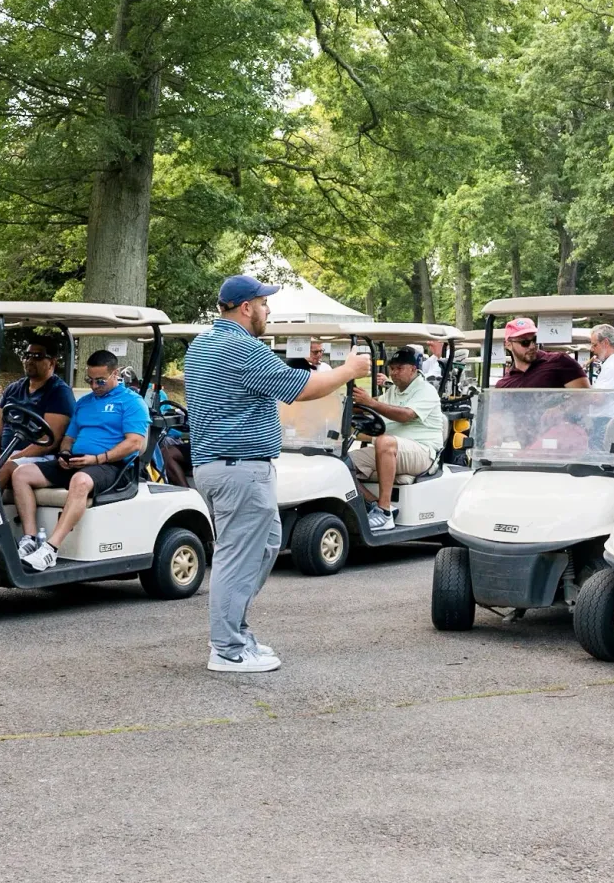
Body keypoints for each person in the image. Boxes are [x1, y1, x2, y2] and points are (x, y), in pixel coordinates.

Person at [184, 274, 370, 673]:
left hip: (225, 467)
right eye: (265, 304)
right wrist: (349, 369)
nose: (269, 310)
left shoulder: (204, 343)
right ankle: (227, 648)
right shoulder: (242, 347)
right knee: (237, 558)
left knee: (267, 544)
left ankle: (237, 632)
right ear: (246, 307)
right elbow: (302, 388)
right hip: (240, 470)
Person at [12, 350, 152, 571]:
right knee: (21, 474)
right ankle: (29, 539)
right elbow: (68, 437)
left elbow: (134, 443)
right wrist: (65, 454)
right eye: (90, 380)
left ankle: (50, 549)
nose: (94, 386)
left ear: (115, 374)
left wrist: (97, 458)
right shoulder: (84, 403)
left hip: (113, 466)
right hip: (80, 462)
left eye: (100, 381)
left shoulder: (131, 402)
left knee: (80, 481)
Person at [348, 347, 446, 530]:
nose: (393, 373)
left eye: (399, 368)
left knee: (385, 441)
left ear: (414, 369)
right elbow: (373, 406)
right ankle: (373, 504)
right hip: (394, 451)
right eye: (391, 368)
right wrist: (348, 403)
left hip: (424, 453)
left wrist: (371, 403)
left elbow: (405, 415)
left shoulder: (426, 390)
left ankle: (384, 512)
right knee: (341, 463)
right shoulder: (393, 392)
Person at [0, 335, 75, 473]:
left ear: (52, 362)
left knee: (5, 467)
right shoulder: (13, 389)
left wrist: (8, 459)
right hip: (6, 455)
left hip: (40, 458)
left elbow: (49, 441)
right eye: (27, 355)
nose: (29, 361)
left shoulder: (59, 392)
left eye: (37, 356)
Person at [494, 318, 587, 389]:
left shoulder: (560, 361)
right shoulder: (504, 385)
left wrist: (561, 409)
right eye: (525, 342)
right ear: (508, 345)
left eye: (534, 340)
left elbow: (586, 397)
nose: (532, 346)